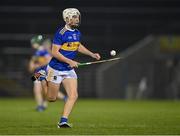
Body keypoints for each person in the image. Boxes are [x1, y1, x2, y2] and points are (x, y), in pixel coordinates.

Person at [35, 8, 101, 128]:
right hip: (55, 68)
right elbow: (54, 52)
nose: (77, 19)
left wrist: (91, 54)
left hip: (68, 70)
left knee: (73, 95)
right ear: (67, 19)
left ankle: (63, 121)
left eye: (77, 17)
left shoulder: (77, 33)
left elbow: (78, 46)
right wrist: (70, 61)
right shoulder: (61, 33)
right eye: (74, 17)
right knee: (51, 99)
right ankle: (42, 78)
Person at [29, 35, 67, 112]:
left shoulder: (42, 51)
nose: (32, 45)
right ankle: (42, 105)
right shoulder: (38, 52)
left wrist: (37, 65)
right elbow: (32, 65)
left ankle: (42, 105)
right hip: (40, 72)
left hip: (44, 72)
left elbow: (48, 60)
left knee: (42, 89)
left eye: (33, 43)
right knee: (40, 88)